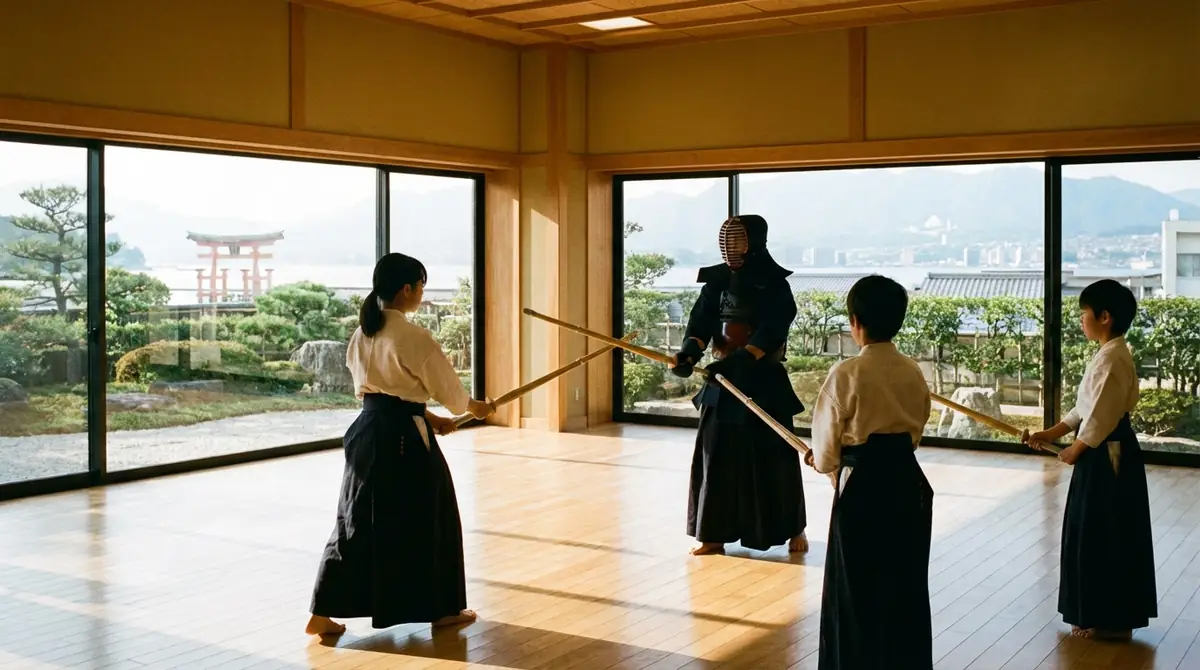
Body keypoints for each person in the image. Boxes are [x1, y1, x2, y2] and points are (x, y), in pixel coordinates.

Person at [306, 253, 495, 636]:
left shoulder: (364, 332)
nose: (422, 293)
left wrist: (430, 417)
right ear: (406, 289)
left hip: (367, 432)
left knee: (356, 520)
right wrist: (475, 407)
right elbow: (451, 394)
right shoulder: (412, 335)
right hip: (404, 443)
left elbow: (383, 395)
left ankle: (321, 613)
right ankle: (441, 610)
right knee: (431, 517)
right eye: (421, 285)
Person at [805, 274, 933, 670]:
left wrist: (821, 460)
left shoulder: (846, 373)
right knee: (904, 582)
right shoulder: (912, 369)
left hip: (863, 487)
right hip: (908, 481)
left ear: (855, 322)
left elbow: (827, 448)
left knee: (857, 586)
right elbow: (917, 426)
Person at [1023, 279, 1156, 641]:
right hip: (1102, 450)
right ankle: (1098, 613)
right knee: (1094, 529)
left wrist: (1075, 449)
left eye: (1084, 314)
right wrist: (1050, 434)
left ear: (1105, 317)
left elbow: (1102, 416)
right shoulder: (1107, 352)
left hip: (1108, 453)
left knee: (1105, 530)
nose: (1081, 320)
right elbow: (1084, 408)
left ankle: (1106, 616)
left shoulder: (1114, 356)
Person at [669, 214, 808, 556]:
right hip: (722, 378)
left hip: (762, 378)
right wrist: (689, 353)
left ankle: (793, 529)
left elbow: (775, 327)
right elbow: (701, 320)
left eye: (739, 239)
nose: (731, 246)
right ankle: (712, 534)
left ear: (756, 241)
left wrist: (743, 359)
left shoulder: (775, 284)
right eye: (727, 239)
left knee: (774, 457)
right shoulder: (716, 281)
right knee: (714, 455)